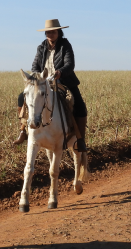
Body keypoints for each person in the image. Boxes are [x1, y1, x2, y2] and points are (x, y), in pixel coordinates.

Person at [12, 19, 88, 152]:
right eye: (47, 32)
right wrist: (37, 77)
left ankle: (80, 139)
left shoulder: (65, 45)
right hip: (43, 82)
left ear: (58, 32)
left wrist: (60, 72)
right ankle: (23, 130)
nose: (49, 35)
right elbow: (35, 66)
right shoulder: (41, 47)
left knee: (80, 106)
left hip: (63, 81)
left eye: (52, 32)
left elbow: (70, 64)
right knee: (22, 97)